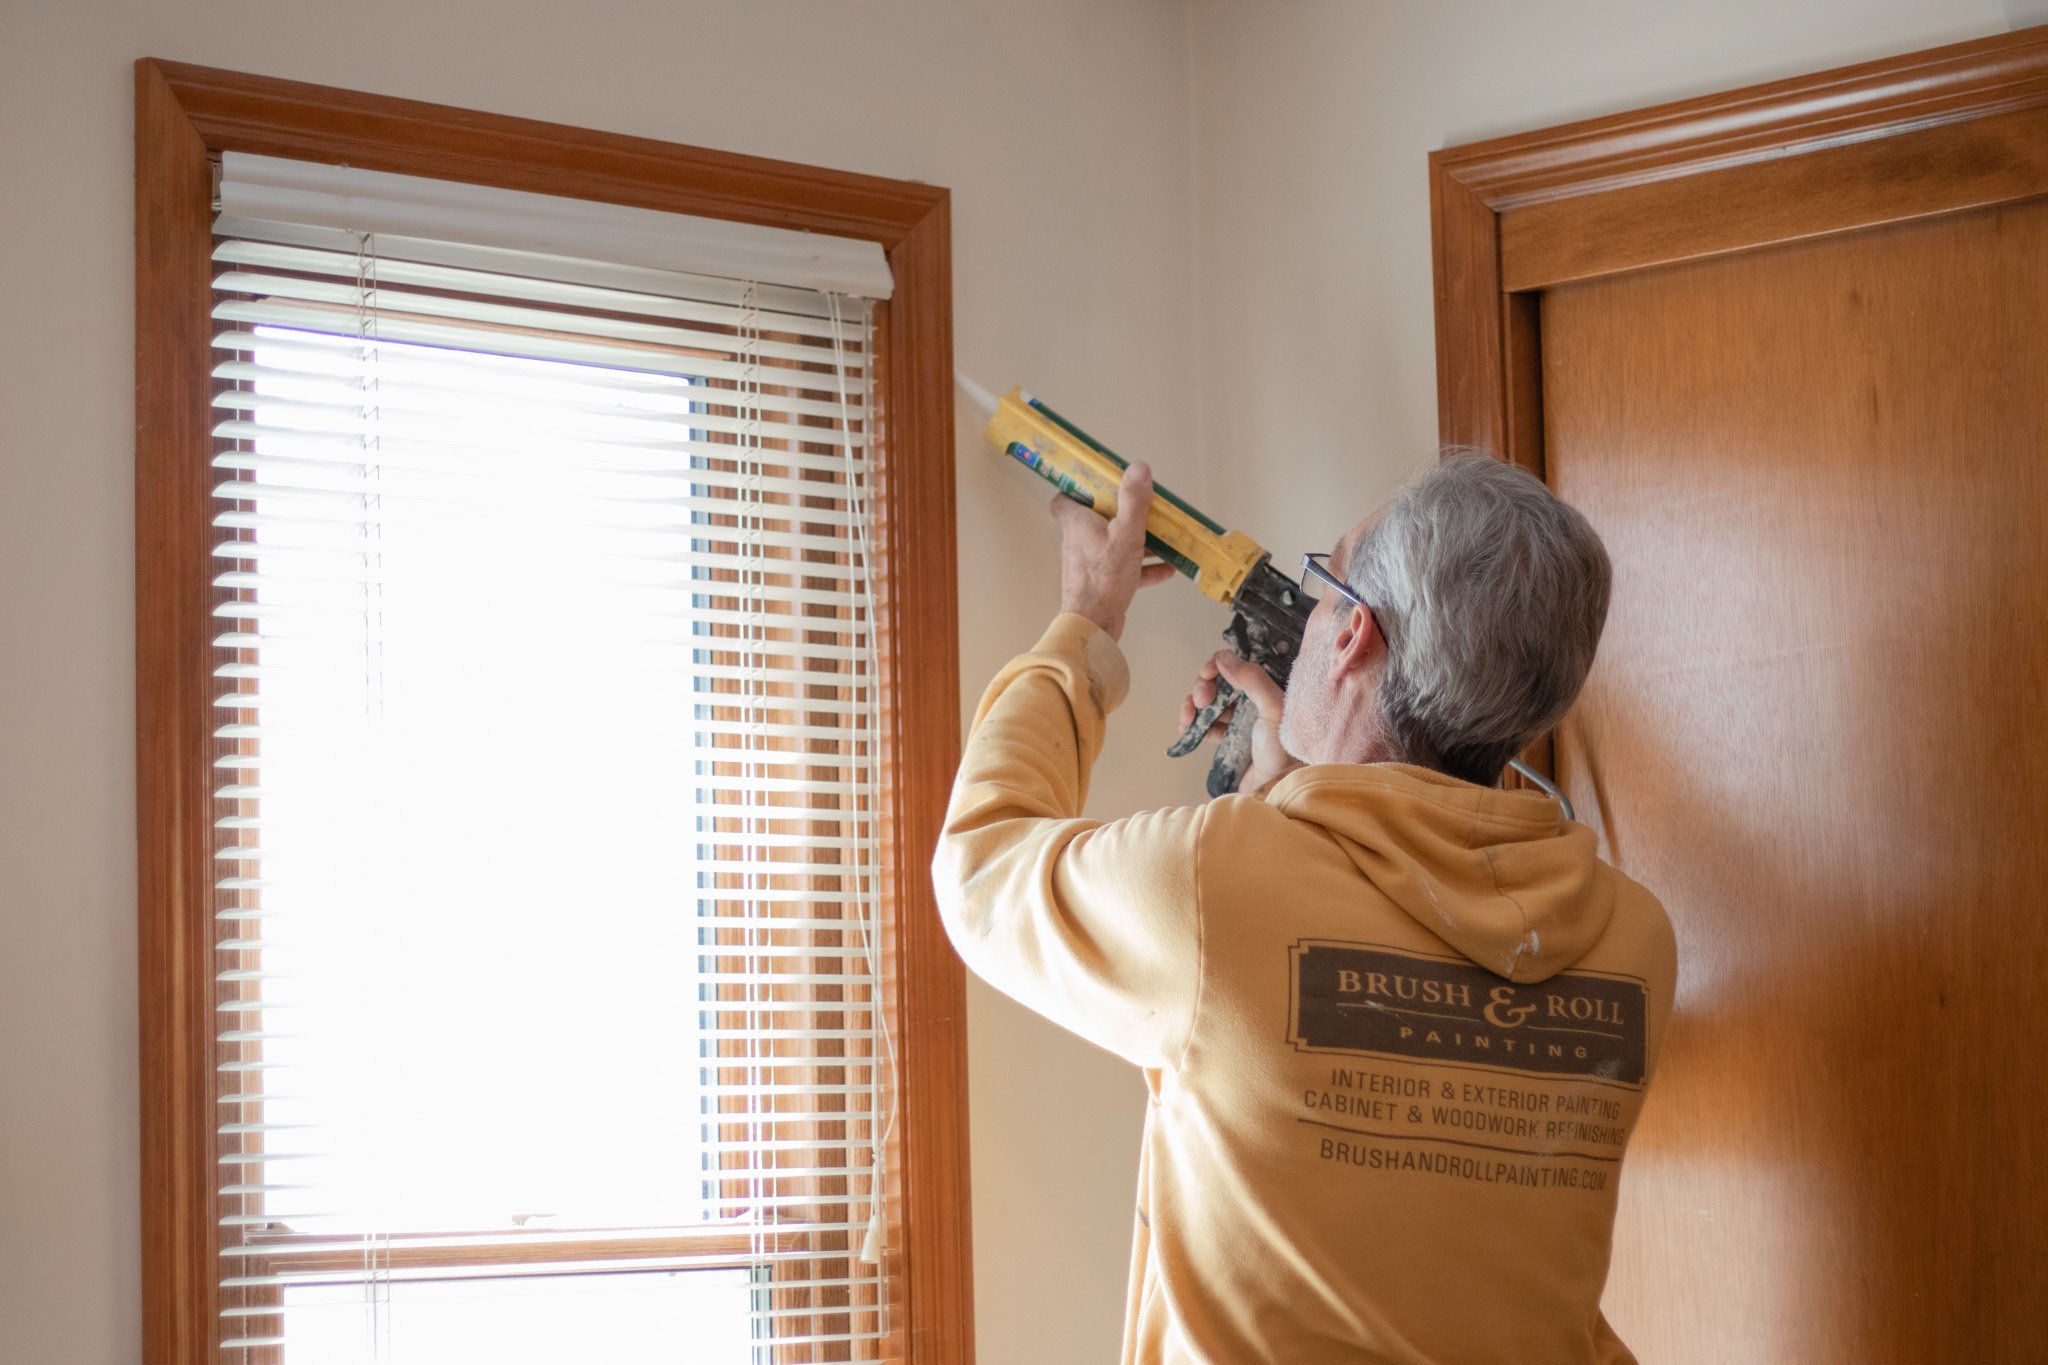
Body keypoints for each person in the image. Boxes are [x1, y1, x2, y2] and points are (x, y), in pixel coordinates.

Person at [931, 452, 1677, 1364]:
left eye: (1326, 586)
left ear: (1353, 634)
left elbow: (980, 870)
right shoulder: (1633, 944)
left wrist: (1087, 621)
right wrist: (1291, 801)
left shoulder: (1219, 882)